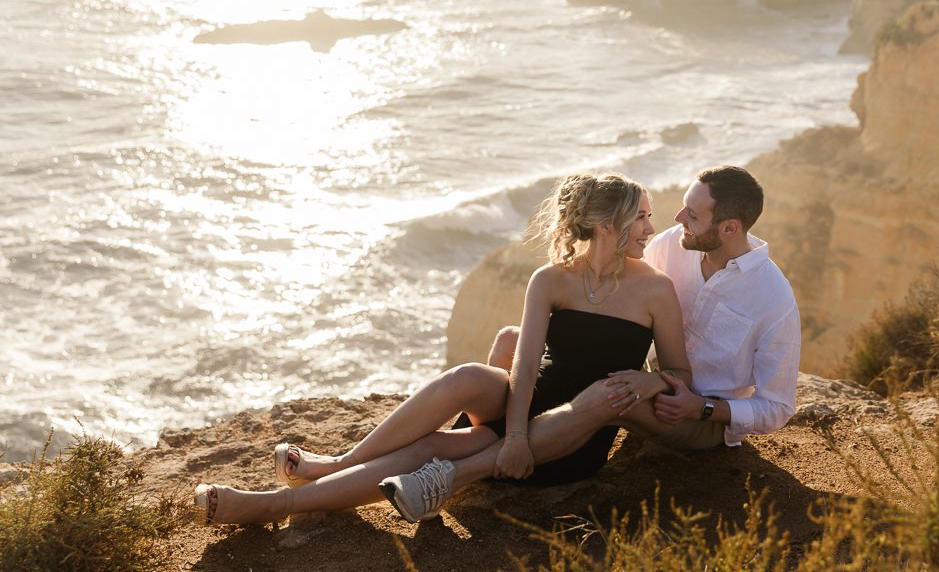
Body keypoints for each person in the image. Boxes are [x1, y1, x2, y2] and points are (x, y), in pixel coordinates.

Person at [192, 172, 691, 524]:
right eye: (643, 218)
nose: (651, 228)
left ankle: (271, 506)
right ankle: (341, 465)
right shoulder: (552, 279)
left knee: (430, 448)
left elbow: (680, 376)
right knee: (465, 377)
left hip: (570, 436)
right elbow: (526, 361)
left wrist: (651, 379)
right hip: (526, 410)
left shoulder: (654, 289)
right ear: (608, 225)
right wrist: (513, 433)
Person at [378, 165, 800, 522]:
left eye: (691, 214)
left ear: (728, 228)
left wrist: (703, 407)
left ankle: (452, 477)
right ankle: (499, 435)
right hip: (654, 386)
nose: (676, 219)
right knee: (513, 341)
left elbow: (777, 407)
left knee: (610, 392)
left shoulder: (772, 298)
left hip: (701, 418)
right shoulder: (675, 244)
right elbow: (622, 294)